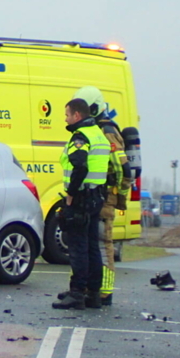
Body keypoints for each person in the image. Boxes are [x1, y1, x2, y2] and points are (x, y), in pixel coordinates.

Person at [72, 86, 130, 307]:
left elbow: (122, 168)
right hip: (95, 194)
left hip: (105, 195)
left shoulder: (107, 131)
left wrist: (120, 197)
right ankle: (89, 286)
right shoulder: (94, 129)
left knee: (102, 241)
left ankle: (104, 290)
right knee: (89, 242)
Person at [52, 98, 110, 310]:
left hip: (81, 198)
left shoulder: (81, 136)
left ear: (77, 115)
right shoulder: (99, 134)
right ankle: (93, 293)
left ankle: (77, 293)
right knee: (92, 246)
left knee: (77, 246)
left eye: (67, 115)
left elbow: (80, 166)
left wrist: (70, 194)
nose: (65, 119)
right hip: (96, 197)